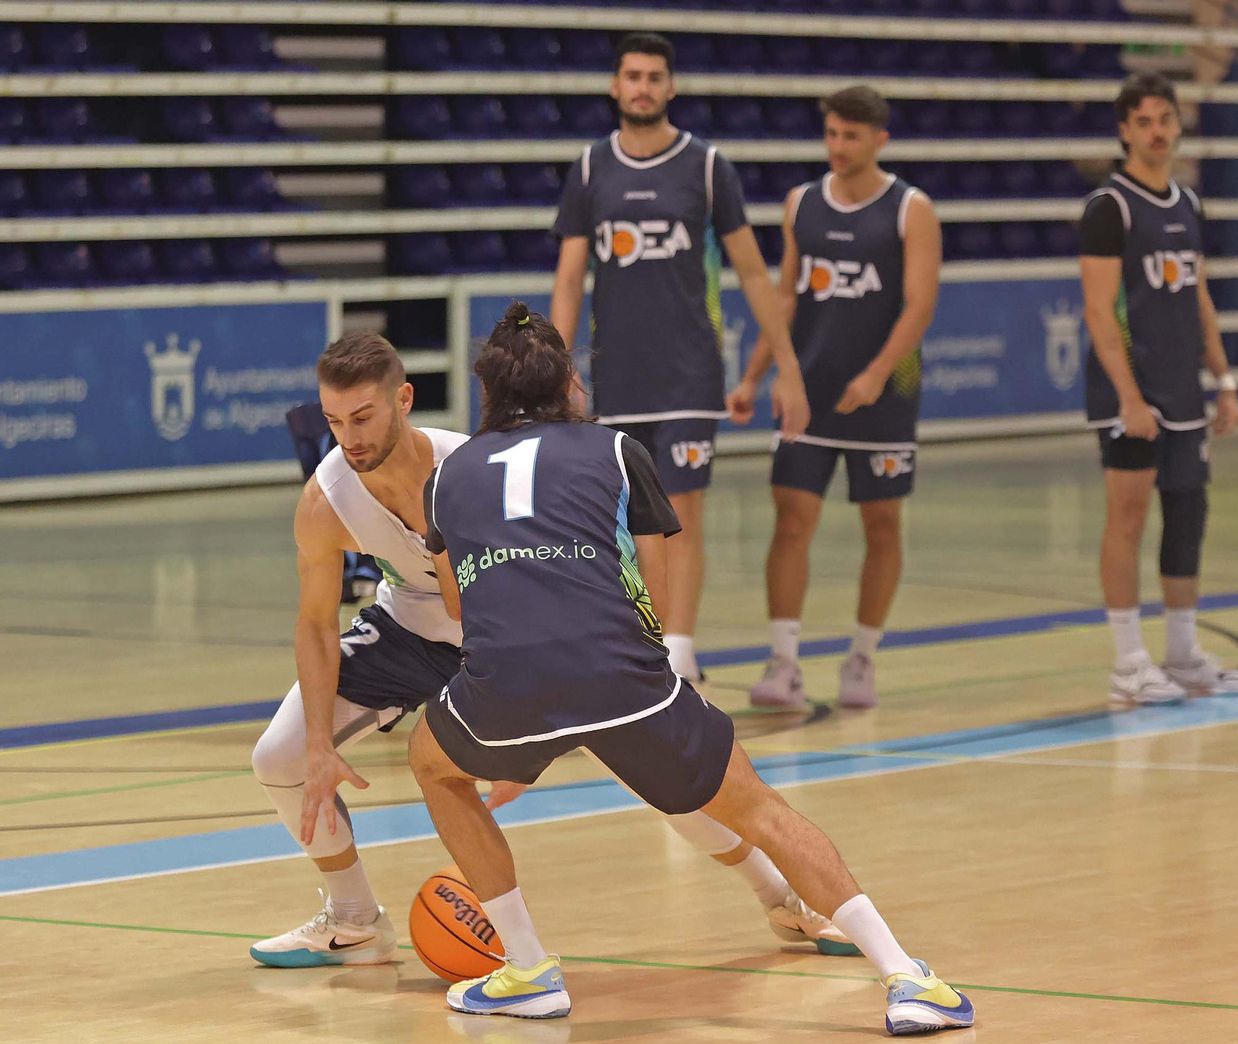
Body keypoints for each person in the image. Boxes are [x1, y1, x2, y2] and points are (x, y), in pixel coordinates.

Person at [383, 302, 972, 1035]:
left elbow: (461, 608)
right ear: (569, 382)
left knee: (434, 765)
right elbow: (651, 599)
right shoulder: (619, 451)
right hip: (622, 677)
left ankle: (529, 969)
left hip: (501, 687)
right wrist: (614, 691)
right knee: (759, 806)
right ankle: (906, 977)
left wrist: (537, 714)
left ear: (487, 396)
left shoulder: (446, 478)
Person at [249, 333, 855, 969]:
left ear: (404, 400)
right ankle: (354, 920)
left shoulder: (467, 464)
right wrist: (320, 743)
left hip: (512, 638)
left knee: (671, 786)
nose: (350, 437)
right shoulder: (326, 499)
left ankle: (784, 896)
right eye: (335, 421)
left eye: (364, 417)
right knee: (280, 755)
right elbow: (316, 624)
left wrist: (515, 733)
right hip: (408, 631)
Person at [550, 31, 811, 684]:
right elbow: (567, 278)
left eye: (654, 76)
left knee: (682, 515)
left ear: (672, 87)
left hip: (691, 374)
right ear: (615, 86)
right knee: (619, 525)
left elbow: (754, 273)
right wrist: (558, 368)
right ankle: (638, 639)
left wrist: (787, 366)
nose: (642, 87)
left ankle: (680, 651)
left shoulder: (705, 166)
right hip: (618, 377)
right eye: (632, 75)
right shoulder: (589, 169)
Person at [729, 85, 940, 710]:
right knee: (791, 520)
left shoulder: (911, 209)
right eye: (832, 134)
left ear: (881, 139)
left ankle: (863, 656)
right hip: (810, 393)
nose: (839, 146)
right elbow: (788, 295)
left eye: (852, 135)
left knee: (882, 524)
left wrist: (878, 371)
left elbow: (919, 303)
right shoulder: (802, 202)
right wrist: (754, 374)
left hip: (885, 398)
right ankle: (784, 660)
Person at [1078, 72, 1238, 707]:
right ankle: (1129, 663)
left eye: (1166, 119)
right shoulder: (1111, 207)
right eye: (1144, 121)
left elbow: (1199, 295)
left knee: (1188, 514)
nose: (1158, 131)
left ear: (1179, 126)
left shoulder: (1187, 201)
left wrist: (1224, 379)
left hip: (1184, 390)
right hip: (1130, 392)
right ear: (1125, 130)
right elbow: (1099, 311)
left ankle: (1182, 654)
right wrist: (1128, 396)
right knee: (1127, 515)